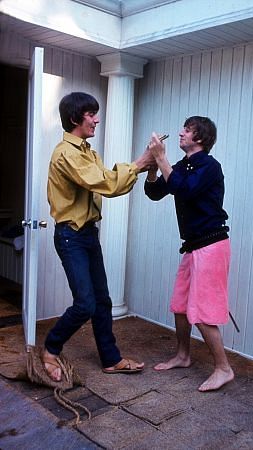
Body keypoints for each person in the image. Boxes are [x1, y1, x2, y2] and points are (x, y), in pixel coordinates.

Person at [42, 91, 156, 382]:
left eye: (96, 113)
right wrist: (141, 162)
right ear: (74, 119)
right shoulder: (65, 153)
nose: (97, 119)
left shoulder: (88, 152)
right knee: (85, 304)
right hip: (70, 236)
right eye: (91, 114)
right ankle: (50, 349)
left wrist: (140, 167)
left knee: (102, 300)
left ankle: (111, 359)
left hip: (88, 235)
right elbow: (104, 182)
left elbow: (108, 182)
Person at [144, 116, 234, 391]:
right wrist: (151, 167)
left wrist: (161, 158)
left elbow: (185, 190)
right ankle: (183, 356)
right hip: (193, 246)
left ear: (200, 138)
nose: (180, 132)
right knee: (181, 306)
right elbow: (155, 192)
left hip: (212, 245)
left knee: (202, 312)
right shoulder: (183, 165)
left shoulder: (209, 166)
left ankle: (223, 368)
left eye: (187, 129)